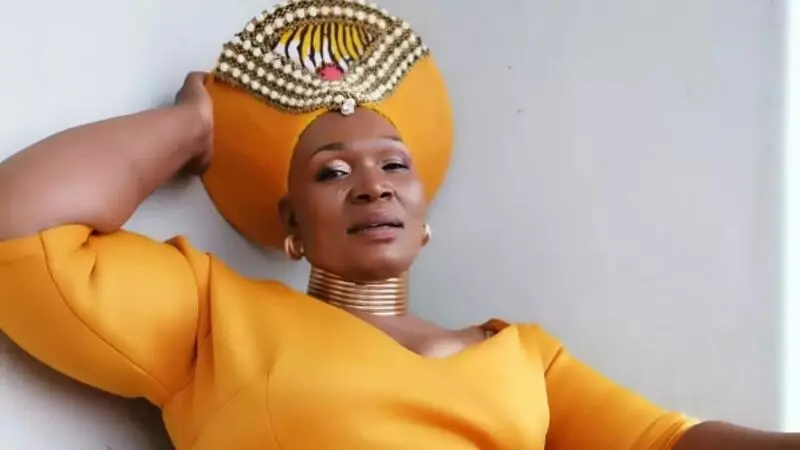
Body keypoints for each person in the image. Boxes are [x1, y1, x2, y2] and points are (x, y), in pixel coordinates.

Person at [0, 1, 795, 449]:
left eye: (394, 165)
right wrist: (194, 126)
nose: (371, 185)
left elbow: (667, 445)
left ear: (424, 218)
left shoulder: (524, 357)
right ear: (292, 227)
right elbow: (22, 233)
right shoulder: (217, 318)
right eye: (331, 172)